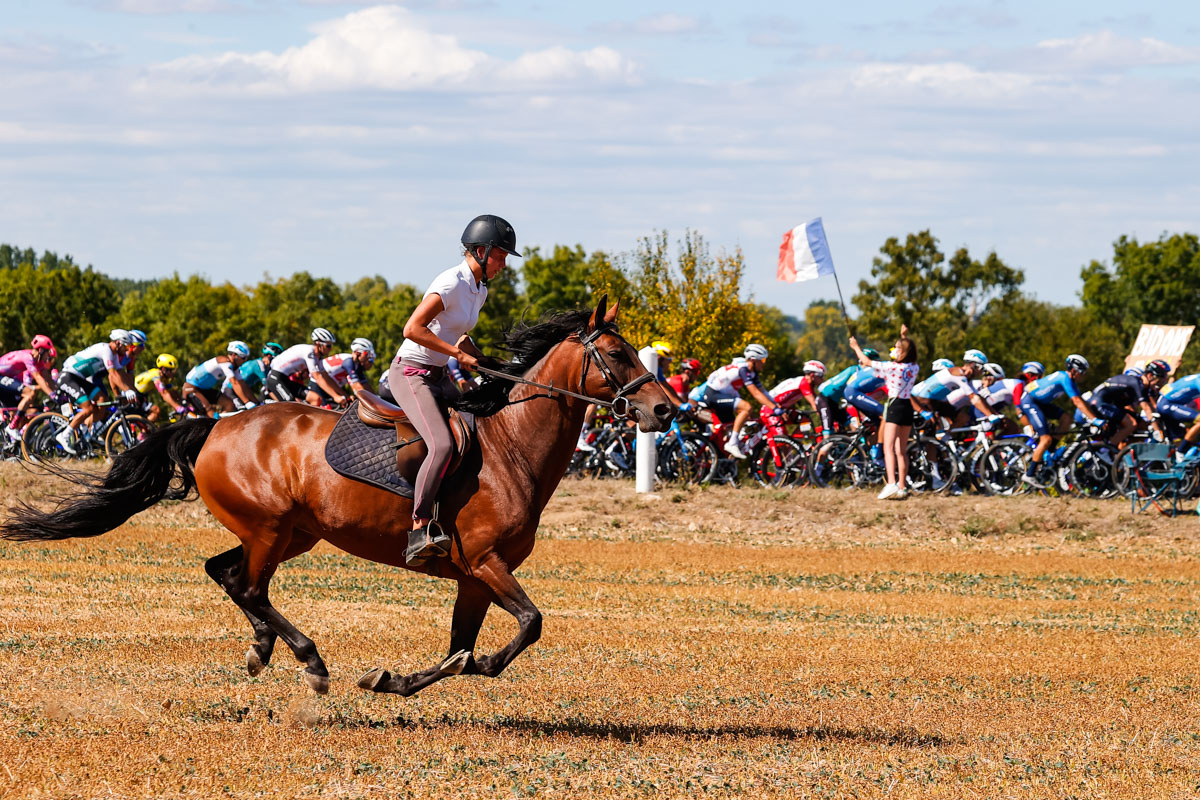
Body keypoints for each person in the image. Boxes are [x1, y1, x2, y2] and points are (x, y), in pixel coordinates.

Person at [392, 213, 519, 567]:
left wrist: (482, 358)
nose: (504, 265)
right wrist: (458, 355)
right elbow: (412, 328)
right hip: (411, 373)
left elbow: (456, 332)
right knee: (443, 443)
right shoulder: (451, 282)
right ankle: (419, 527)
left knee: (479, 427)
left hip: (437, 375)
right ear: (480, 251)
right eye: (501, 256)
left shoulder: (480, 289)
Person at [849, 325, 920, 500]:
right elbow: (906, 352)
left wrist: (856, 346)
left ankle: (890, 483)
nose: (894, 350)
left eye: (897, 348)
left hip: (895, 406)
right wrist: (903, 336)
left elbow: (866, 362)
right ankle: (902, 486)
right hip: (907, 407)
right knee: (901, 451)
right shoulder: (914, 367)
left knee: (888, 448)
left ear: (902, 352)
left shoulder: (892, 368)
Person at [1018, 354, 1101, 486]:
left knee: (1066, 418)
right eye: (1082, 372)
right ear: (1074, 370)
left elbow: (1082, 401)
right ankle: (1030, 474)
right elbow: (1076, 401)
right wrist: (1095, 419)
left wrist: (1093, 414)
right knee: (1046, 438)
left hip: (1040, 403)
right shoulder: (1064, 378)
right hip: (1030, 401)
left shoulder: (1070, 380)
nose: (1084, 376)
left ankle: (1050, 450)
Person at [55, 330, 138, 454]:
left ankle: (89, 433)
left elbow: (121, 374)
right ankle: (65, 435)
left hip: (79, 379)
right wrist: (126, 390)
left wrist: (131, 390)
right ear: (118, 343)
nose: (126, 350)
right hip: (68, 377)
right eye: (125, 346)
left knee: (102, 399)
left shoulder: (114, 355)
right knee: (88, 408)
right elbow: (113, 374)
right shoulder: (106, 350)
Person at [700, 344, 780, 459]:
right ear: (753, 360)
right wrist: (775, 408)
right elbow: (756, 393)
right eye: (762, 360)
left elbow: (764, 392)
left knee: (743, 419)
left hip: (722, 395)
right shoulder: (743, 369)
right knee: (746, 407)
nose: (764, 362)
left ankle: (724, 458)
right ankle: (732, 444)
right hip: (713, 395)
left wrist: (777, 405)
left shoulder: (752, 372)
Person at [1082, 360, 1168, 447]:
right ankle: (1108, 449)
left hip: (1109, 404)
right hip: (1099, 403)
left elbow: (1152, 410)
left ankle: (1123, 453)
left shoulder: (1145, 388)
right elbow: (1146, 409)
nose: (1159, 385)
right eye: (1159, 382)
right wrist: (1159, 434)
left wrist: (1160, 427)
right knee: (1131, 424)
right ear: (1150, 376)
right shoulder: (1137, 383)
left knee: (1144, 426)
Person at [911, 349, 996, 429]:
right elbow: (973, 398)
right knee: (934, 425)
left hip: (934, 401)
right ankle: (937, 440)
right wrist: (989, 415)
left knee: (963, 418)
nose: (982, 372)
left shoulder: (966, 379)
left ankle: (947, 439)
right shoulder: (958, 374)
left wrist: (994, 414)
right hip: (919, 400)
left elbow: (978, 397)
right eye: (982, 368)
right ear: (974, 365)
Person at [1, 335, 58, 441]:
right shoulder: (28, 357)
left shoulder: (39, 361)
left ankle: (12, 449)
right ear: (40, 350)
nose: (48, 357)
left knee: (17, 417)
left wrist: (59, 392)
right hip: (1, 377)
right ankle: (11, 427)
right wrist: (52, 395)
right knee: (30, 393)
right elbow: (38, 378)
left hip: (6, 381)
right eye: (47, 353)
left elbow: (48, 379)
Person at [267, 328, 345, 404]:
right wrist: (335, 396)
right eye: (328, 346)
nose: (330, 349)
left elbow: (326, 377)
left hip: (285, 379)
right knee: (291, 404)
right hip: (275, 378)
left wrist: (343, 394)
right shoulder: (309, 352)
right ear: (318, 344)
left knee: (316, 399)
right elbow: (317, 377)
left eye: (331, 346)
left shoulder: (318, 357)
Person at [182, 341, 256, 417]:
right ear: (234, 355)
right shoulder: (224, 361)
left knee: (229, 404)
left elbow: (243, 384)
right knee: (210, 413)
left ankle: (220, 424)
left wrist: (255, 402)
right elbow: (234, 383)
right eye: (243, 357)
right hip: (191, 388)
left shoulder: (235, 367)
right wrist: (246, 402)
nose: (245, 360)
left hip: (204, 389)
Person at [306, 337, 375, 406]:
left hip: (331, 387)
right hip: (318, 385)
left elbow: (365, 385)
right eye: (367, 353)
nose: (368, 357)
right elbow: (357, 386)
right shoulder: (348, 361)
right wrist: (371, 402)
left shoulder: (356, 365)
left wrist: (377, 398)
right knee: (324, 412)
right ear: (357, 353)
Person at [768, 360, 828, 433]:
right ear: (812, 375)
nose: (823, 379)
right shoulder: (804, 383)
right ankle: (789, 443)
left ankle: (795, 442)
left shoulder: (806, 382)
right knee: (781, 442)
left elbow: (819, 402)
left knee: (805, 419)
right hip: (770, 409)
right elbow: (815, 405)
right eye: (821, 376)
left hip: (781, 409)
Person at [222, 342, 282, 410]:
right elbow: (269, 388)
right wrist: (281, 403)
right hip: (230, 389)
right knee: (240, 411)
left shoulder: (266, 369)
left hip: (242, 391)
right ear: (268, 356)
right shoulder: (259, 365)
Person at [133, 354, 187, 422]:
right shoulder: (156, 375)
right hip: (134, 395)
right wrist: (177, 407)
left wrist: (183, 403)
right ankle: (144, 429)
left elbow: (172, 392)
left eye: (174, 370)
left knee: (155, 412)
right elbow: (164, 393)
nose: (173, 373)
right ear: (164, 369)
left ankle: (144, 431)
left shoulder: (165, 378)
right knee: (155, 411)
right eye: (171, 370)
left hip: (142, 396)